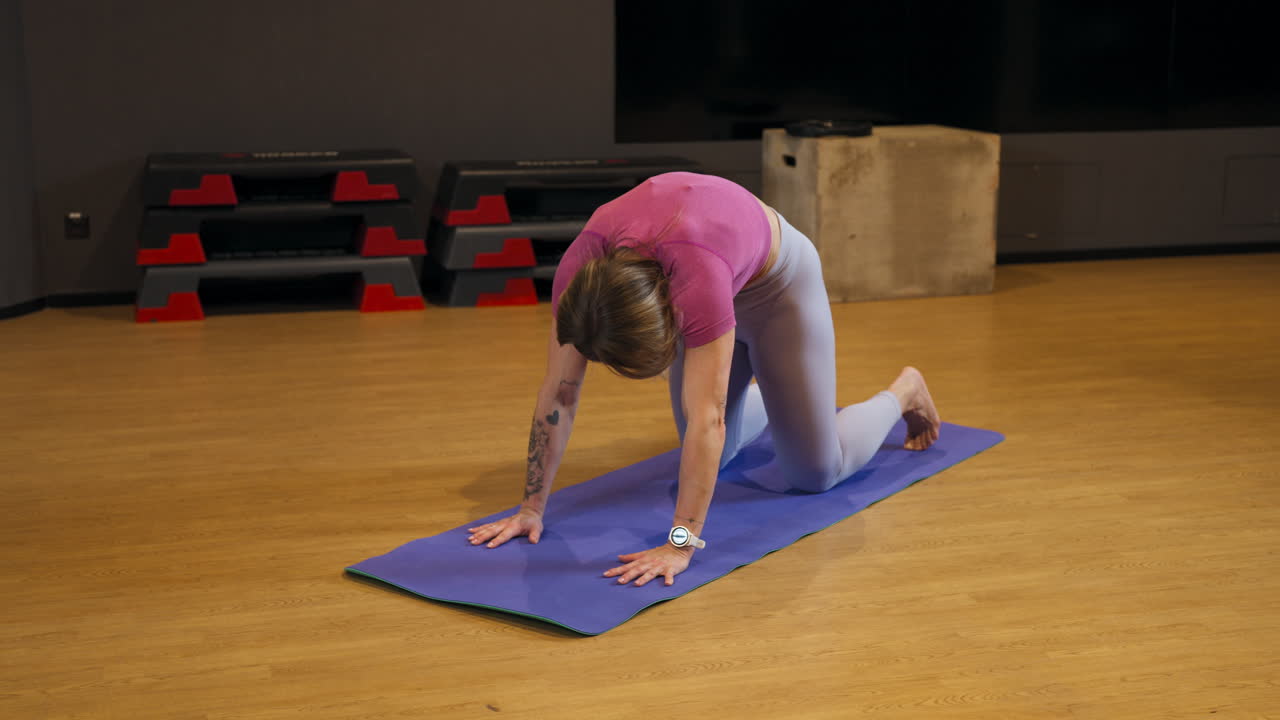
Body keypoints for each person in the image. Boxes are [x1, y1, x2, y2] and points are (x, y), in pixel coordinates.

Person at [467, 172, 940, 587]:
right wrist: (531, 507)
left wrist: (680, 543)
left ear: (668, 319)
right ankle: (776, 388)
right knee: (719, 445)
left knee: (813, 472)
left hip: (778, 290)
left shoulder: (696, 280)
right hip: (704, 272)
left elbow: (706, 422)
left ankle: (902, 392)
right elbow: (559, 393)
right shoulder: (580, 275)